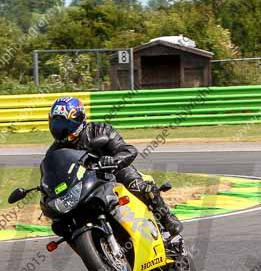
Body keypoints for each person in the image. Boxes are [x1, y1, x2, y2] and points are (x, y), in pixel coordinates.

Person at [47, 96, 184, 236]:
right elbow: (50, 173)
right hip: (85, 184)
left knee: (139, 186)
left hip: (113, 172)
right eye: (56, 125)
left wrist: (113, 161)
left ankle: (167, 218)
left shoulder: (99, 130)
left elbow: (128, 150)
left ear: (79, 120)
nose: (60, 130)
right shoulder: (55, 151)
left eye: (64, 125)